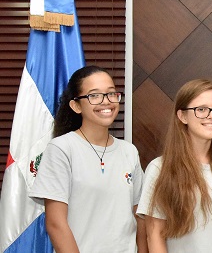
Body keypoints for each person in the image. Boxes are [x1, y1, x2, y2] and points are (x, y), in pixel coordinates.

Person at [29, 65, 147, 253]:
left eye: (110, 94)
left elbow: (139, 215)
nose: (106, 101)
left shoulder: (129, 151)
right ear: (76, 105)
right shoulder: (62, 149)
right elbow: (55, 223)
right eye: (94, 95)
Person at [136, 79, 212, 253]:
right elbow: (154, 235)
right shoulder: (160, 169)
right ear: (182, 116)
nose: (211, 115)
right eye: (201, 109)